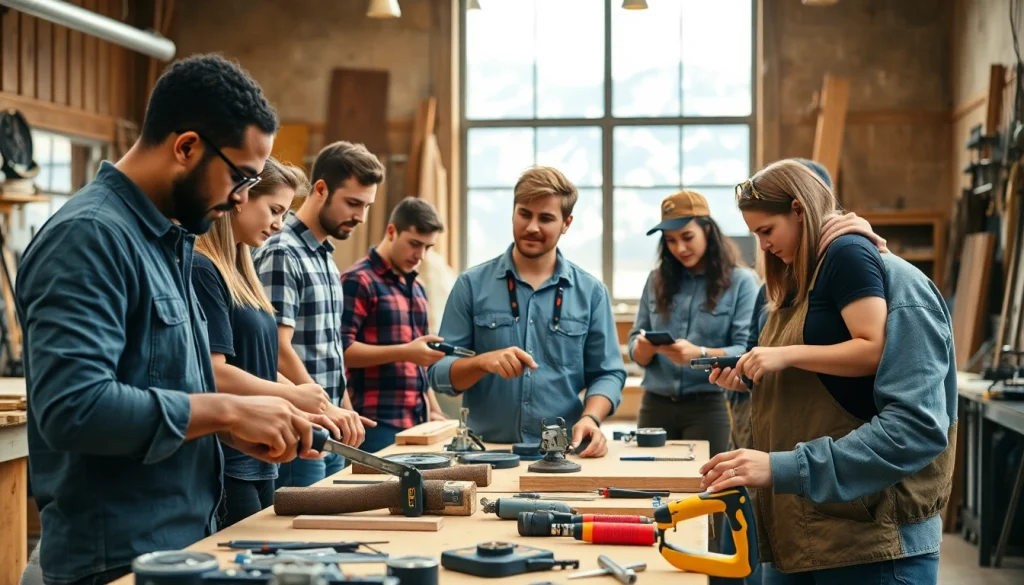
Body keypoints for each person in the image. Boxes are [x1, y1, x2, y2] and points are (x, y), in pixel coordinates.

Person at [15, 54, 328, 585]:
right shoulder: (90, 237)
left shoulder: (171, 243)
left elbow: (163, 384)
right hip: (117, 559)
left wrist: (227, 429)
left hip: (183, 544)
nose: (239, 201)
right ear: (186, 147)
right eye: (241, 178)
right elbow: (72, 408)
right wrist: (227, 411)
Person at [702, 159, 956, 584]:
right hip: (800, 535)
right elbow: (821, 389)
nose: (762, 247)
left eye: (767, 231)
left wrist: (783, 468)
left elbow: (915, 429)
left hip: (872, 545)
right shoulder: (799, 287)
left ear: (801, 209)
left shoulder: (901, 290)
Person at [428, 166, 626, 455]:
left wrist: (591, 418)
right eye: (524, 214)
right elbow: (439, 373)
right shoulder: (470, 285)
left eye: (546, 218)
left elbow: (608, 373)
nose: (532, 227)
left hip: (561, 455)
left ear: (566, 223)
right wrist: (482, 362)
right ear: (513, 213)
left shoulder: (592, 293)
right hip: (484, 454)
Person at [193, 157, 342, 528]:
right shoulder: (202, 269)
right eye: (274, 210)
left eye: (285, 212)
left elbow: (256, 365)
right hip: (229, 456)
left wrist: (314, 404)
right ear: (240, 199)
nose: (279, 223)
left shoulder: (243, 271)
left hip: (260, 457)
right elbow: (214, 374)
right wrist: (294, 395)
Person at [253, 140, 383, 487]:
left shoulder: (324, 256)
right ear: (321, 189)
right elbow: (277, 348)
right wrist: (327, 410)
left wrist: (345, 410)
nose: (361, 216)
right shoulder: (283, 252)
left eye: (367, 206)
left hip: (331, 426)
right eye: (353, 203)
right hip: (300, 429)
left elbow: (330, 349)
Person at [627, 190, 758, 458]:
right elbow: (633, 342)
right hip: (654, 404)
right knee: (651, 484)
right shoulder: (655, 281)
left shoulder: (742, 282)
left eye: (687, 237)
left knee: (705, 487)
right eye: (671, 241)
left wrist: (700, 355)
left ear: (708, 232)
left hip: (709, 405)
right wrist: (641, 350)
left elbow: (747, 350)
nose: (680, 249)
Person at [340, 197, 450, 452]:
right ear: (391, 231)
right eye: (414, 244)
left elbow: (419, 361)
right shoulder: (358, 281)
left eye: (427, 247)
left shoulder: (418, 288)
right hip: (375, 425)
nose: (420, 255)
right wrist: (405, 351)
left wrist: (434, 409)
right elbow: (342, 352)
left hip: (418, 423)